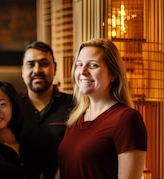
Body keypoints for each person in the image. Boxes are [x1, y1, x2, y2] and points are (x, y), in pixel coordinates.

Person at [57, 38, 147, 178]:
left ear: (113, 74)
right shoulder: (76, 118)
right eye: (79, 64)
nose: (83, 71)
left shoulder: (126, 119)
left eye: (93, 65)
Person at [19, 41, 73, 179]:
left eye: (44, 63)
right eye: (31, 64)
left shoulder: (74, 105)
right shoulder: (11, 107)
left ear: (54, 68)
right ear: (22, 71)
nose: (37, 70)